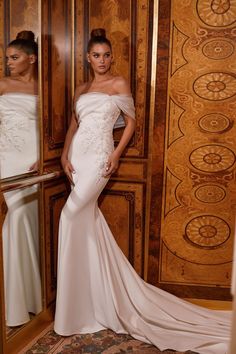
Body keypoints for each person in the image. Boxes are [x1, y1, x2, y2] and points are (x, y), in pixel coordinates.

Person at [54, 28, 231, 354]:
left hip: (99, 159)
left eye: (107, 55)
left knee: (69, 217)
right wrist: (65, 154)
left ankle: (76, 309)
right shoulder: (81, 88)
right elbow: (74, 125)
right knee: (84, 226)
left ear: (111, 57)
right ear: (88, 58)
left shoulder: (119, 84)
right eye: (97, 55)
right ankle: (88, 303)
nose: (103, 61)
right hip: (77, 158)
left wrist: (116, 154)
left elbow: (131, 122)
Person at [0, 31, 42, 326]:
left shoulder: (45, 86)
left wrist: (46, 157)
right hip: (6, 158)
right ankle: (13, 304)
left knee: (28, 219)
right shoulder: (1, 84)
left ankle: (32, 298)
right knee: (14, 215)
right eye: (7, 59)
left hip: (33, 159)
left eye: (14, 58)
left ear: (32, 58)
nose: (9, 63)